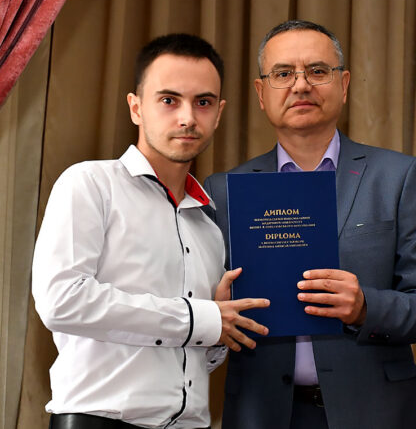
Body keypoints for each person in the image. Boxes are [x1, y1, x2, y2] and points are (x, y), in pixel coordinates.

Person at [203, 20, 416, 429]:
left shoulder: (397, 177)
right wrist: (217, 311)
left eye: (317, 71)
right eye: (283, 73)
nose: (301, 85)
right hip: (262, 413)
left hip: (375, 413)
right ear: (261, 93)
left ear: (344, 84)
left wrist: (365, 307)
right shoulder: (225, 190)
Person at [32, 33, 269, 429]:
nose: (187, 118)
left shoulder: (208, 226)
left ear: (219, 113)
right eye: (169, 100)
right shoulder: (90, 184)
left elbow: (194, 354)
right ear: (136, 107)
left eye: (203, 102)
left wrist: (218, 330)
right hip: (98, 421)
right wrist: (200, 318)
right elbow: (62, 300)